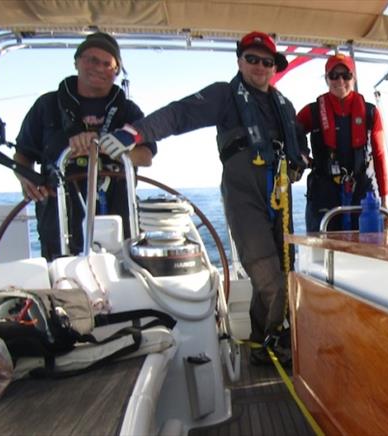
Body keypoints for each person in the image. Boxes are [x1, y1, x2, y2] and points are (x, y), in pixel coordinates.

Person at [99, 31, 308, 365]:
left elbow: (300, 143)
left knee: (286, 272)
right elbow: (180, 114)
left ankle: (264, 340)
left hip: (280, 197)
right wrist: (136, 132)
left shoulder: (285, 105)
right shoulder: (224, 95)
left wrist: (301, 163)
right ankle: (269, 339)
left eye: (266, 61)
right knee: (268, 276)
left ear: (274, 67)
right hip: (243, 195)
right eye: (251, 59)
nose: (258, 66)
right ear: (239, 61)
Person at [13, 32, 156, 260]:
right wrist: (26, 179)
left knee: (119, 279)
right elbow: (22, 155)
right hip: (58, 216)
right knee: (63, 284)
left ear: (116, 70)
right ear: (77, 61)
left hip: (117, 215)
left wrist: (107, 147)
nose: (99, 68)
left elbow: (146, 157)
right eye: (92, 60)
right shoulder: (46, 106)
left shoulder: (129, 112)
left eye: (106, 63)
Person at [296, 53, 388, 232]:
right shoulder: (312, 112)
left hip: (362, 189)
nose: (340, 81)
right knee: (323, 251)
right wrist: (303, 156)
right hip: (324, 190)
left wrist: (385, 199)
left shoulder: (370, 112)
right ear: (326, 79)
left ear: (353, 78)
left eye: (346, 75)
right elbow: (291, 134)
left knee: (367, 248)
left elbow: (379, 155)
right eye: (334, 75)